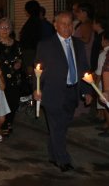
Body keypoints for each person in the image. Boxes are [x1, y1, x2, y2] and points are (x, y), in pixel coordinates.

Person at [34, 11, 93, 172]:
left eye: (70, 24)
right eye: (63, 24)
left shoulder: (78, 44)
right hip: (52, 93)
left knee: (61, 127)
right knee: (57, 127)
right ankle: (63, 159)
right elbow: (38, 70)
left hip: (72, 92)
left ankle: (53, 154)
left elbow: (84, 69)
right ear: (55, 25)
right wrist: (36, 89)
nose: (67, 27)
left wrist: (87, 91)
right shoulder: (46, 44)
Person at [0, 18, 24, 136]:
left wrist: (19, 63)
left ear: (11, 29)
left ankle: (8, 123)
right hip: (0, 77)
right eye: (2, 28)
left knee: (13, 102)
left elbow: (20, 57)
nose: (5, 30)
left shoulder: (17, 44)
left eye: (7, 27)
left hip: (14, 77)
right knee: (1, 102)